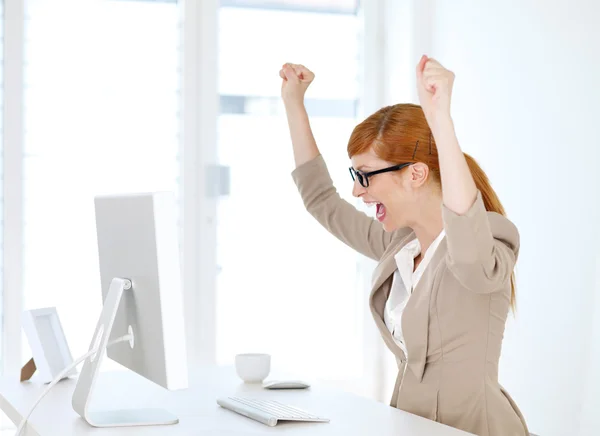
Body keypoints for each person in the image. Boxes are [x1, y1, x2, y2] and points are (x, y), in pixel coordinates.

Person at [279, 56, 529, 436]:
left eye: (364, 176)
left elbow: (464, 234)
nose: (357, 190)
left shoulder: (486, 243)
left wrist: (440, 118)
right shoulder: (400, 245)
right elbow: (322, 202)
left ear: (415, 174)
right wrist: (294, 104)